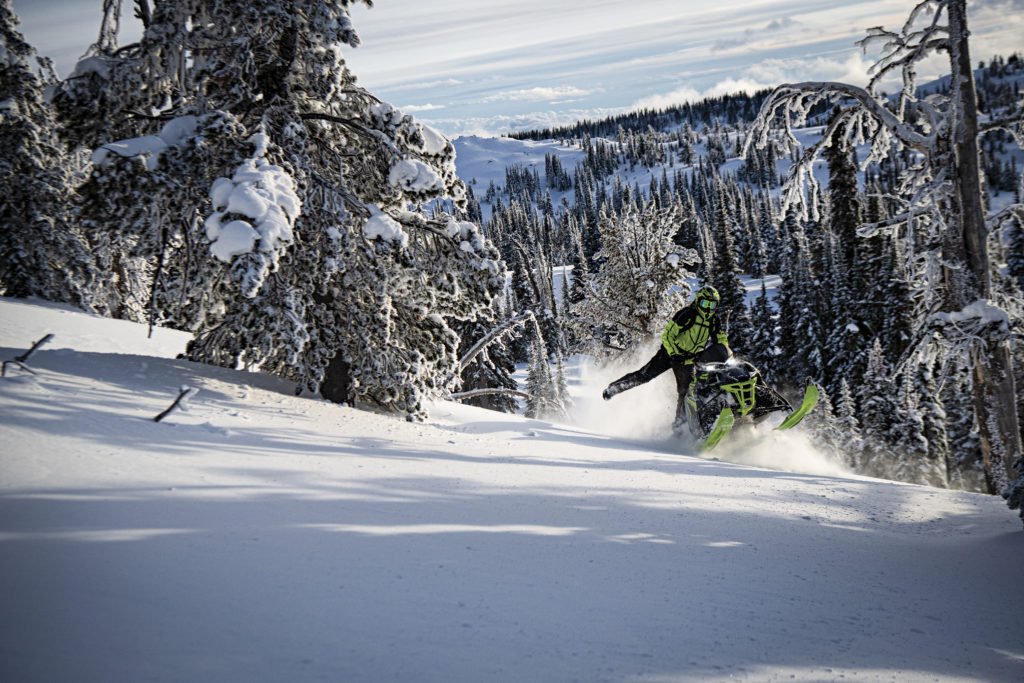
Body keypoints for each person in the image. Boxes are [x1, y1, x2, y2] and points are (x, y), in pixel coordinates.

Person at [602, 285, 730, 436]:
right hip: (670, 354)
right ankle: (614, 388)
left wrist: (724, 352)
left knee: (687, 393)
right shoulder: (687, 314)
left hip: (689, 360)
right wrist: (674, 353)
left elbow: (720, 339)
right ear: (698, 301)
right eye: (705, 304)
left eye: (712, 305)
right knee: (645, 375)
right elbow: (668, 335)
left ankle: (679, 428)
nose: (708, 308)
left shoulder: (714, 321)